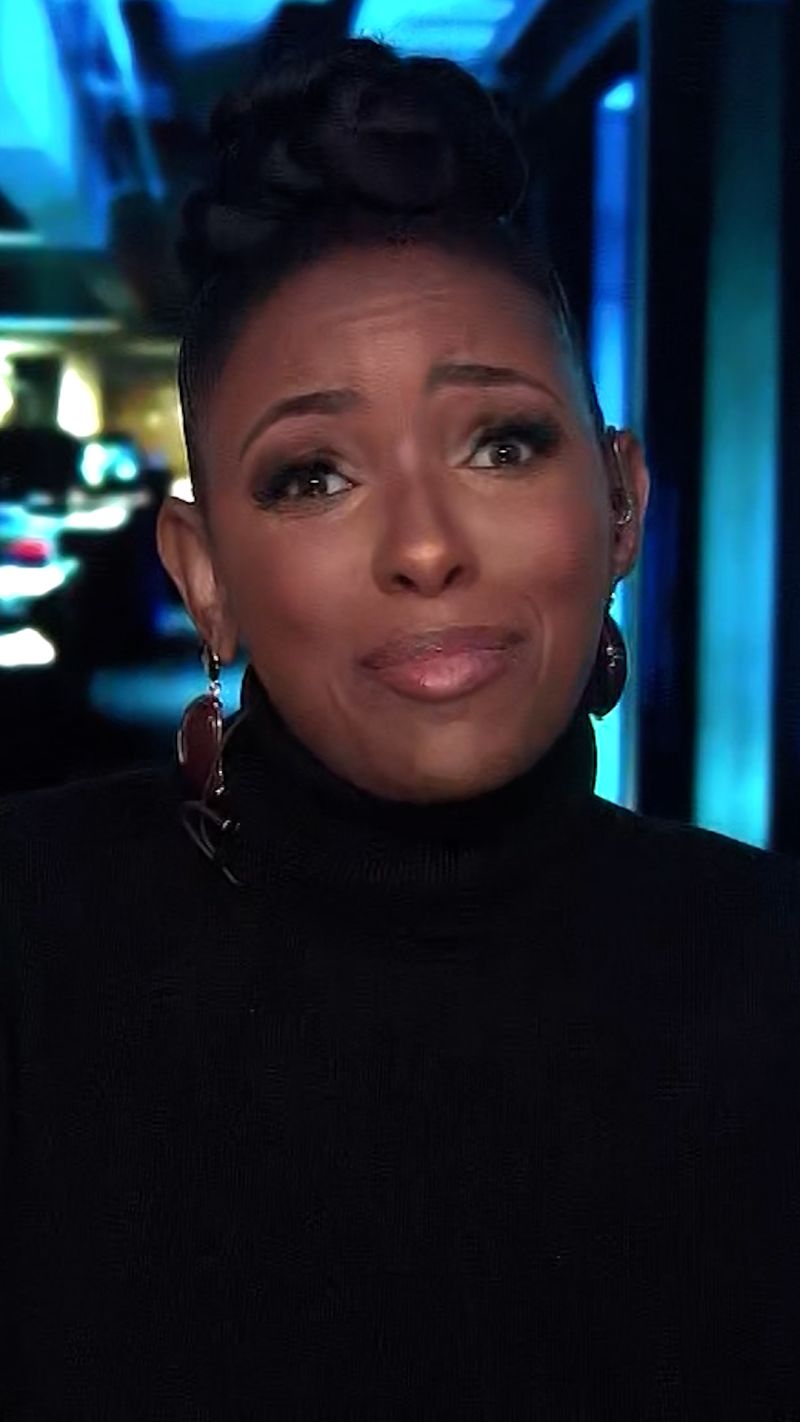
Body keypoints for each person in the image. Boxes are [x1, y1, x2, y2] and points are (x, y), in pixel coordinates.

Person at [2, 37, 800, 1421]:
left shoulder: (771, 968)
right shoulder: (28, 942)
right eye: (313, 475)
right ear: (204, 573)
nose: (426, 547)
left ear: (621, 501)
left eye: (502, 444)